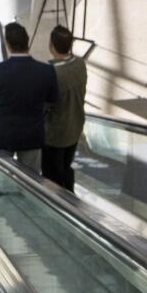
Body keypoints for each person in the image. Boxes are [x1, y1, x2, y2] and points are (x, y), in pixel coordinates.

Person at [0, 22, 58, 170]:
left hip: (2, 135)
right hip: (32, 135)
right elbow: (53, 98)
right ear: (27, 42)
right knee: (31, 181)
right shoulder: (46, 71)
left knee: (1, 176)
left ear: (8, 44)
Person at [42, 25, 87, 191]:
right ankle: (70, 195)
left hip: (55, 133)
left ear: (51, 46)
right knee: (65, 166)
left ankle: (59, 205)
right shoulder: (80, 64)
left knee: (52, 173)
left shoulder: (50, 73)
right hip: (75, 128)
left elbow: (45, 105)